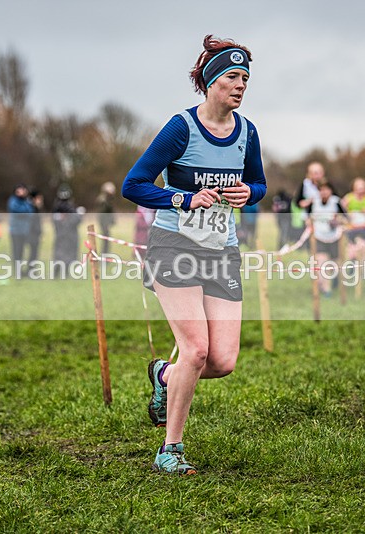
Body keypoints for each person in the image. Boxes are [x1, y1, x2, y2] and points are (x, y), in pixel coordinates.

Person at [122, 35, 266, 475]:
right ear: (210, 82)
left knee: (223, 361)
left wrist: (249, 193)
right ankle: (171, 449)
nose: (240, 86)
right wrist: (182, 199)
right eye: (231, 77)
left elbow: (259, 184)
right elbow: (135, 184)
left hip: (221, 249)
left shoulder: (247, 132)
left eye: (245, 78)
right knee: (198, 350)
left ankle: (165, 376)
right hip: (174, 247)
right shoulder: (181, 127)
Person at [307, 181, 345, 297]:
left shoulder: (336, 202)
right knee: (322, 264)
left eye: (326, 189)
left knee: (334, 264)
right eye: (321, 190)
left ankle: (334, 279)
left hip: (335, 237)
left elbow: (346, 218)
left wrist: (338, 221)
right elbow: (307, 218)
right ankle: (326, 289)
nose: (324, 192)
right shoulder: (314, 202)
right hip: (319, 237)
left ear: (331, 191)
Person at [341, 177, 365, 266]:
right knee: (351, 252)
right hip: (351, 229)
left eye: (363, 187)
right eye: (358, 187)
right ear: (354, 188)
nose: (361, 190)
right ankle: (352, 264)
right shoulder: (348, 198)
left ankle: (360, 269)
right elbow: (340, 210)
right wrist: (348, 215)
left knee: (362, 248)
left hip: (364, 228)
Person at [52, 184, 83, 277]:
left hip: (71, 236)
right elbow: (56, 222)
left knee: (70, 255)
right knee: (59, 254)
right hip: (61, 235)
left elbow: (75, 221)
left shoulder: (71, 207)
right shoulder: (57, 208)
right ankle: (56, 273)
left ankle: (65, 273)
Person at [7, 183, 35, 270]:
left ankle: (20, 269)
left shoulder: (27, 201)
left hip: (24, 230)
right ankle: (17, 270)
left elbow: (31, 212)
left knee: (22, 251)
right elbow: (17, 210)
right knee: (16, 251)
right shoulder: (13, 200)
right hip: (15, 231)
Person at [95, 182, 116, 254]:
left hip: (105, 222)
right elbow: (104, 213)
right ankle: (104, 255)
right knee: (105, 240)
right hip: (104, 223)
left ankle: (105, 254)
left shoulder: (107, 200)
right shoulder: (104, 200)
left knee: (106, 240)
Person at [28, 188, 44, 265]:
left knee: (34, 253)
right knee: (33, 253)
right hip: (32, 234)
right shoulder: (32, 209)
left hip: (34, 233)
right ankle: (30, 269)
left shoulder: (34, 208)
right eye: (39, 198)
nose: (40, 200)